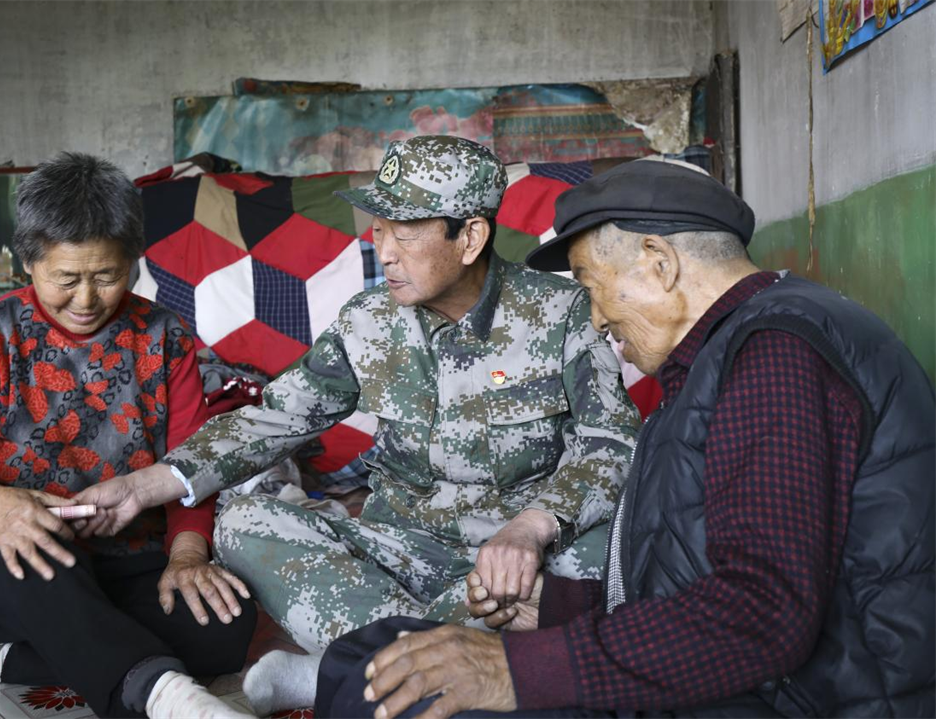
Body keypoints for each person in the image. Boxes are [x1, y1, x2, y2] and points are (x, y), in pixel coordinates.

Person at [315, 157, 936, 719]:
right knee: (372, 655)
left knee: (408, 698)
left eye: (591, 286)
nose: (595, 318)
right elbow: (702, 576)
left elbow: (761, 615)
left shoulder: (776, 355)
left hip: (790, 699)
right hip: (737, 677)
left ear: (659, 263)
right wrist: (558, 609)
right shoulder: (724, 355)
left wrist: (514, 670)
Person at [75, 135, 640, 714]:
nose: (384, 251)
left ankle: (341, 670)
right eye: (378, 228)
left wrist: (532, 528)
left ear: (470, 237)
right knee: (241, 521)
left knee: (609, 556)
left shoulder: (562, 312)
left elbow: (612, 445)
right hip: (398, 550)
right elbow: (276, 418)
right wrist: (143, 486)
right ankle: (432, 661)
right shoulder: (366, 322)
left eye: (406, 232)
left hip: (514, 558)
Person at [0, 153, 258, 719]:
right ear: (28, 262)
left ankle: (0, 660)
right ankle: (162, 694)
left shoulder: (166, 338)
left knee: (225, 625)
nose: (86, 300)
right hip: (11, 564)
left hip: (129, 560)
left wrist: (187, 554)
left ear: (133, 259)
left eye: (107, 276)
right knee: (36, 569)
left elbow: (193, 462)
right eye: (66, 279)